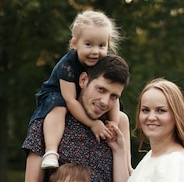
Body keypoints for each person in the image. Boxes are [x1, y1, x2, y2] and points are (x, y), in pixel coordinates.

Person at [30, 10, 131, 171]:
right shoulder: (67, 65)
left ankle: (128, 166)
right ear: (75, 44)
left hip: (84, 96)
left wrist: (113, 123)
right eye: (88, 44)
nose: (95, 51)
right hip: (59, 94)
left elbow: (114, 95)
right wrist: (93, 124)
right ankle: (51, 151)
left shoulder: (102, 63)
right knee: (59, 105)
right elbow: (70, 100)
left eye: (101, 45)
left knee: (119, 112)